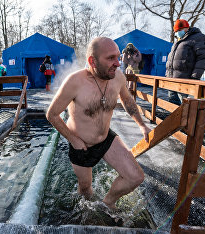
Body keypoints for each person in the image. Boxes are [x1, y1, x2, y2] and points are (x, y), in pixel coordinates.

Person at [46, 37, 151, 212]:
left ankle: (107, 202)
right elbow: (52, 114)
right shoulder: (75, 82)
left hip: (105, 139)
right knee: (86, 189)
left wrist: (141, 125)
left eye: (118, 57)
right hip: (81, 144)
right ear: (92, 61)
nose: (117, 63)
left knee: (135, 177)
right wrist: (73, 140)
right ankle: (85, 214)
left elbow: (127, 100)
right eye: (111, 58)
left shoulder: (118, 77)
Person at [166, 19, 205, 105]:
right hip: (171, 80)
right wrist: (167, 75)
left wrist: (195, 77)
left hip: (185, 81)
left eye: (179, 30)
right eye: (176, 31)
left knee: (185, 108)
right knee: (172, 107)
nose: (177, 33)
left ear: (186, 28)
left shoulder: (198, 37)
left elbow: (202, 58)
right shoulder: (178, 41)